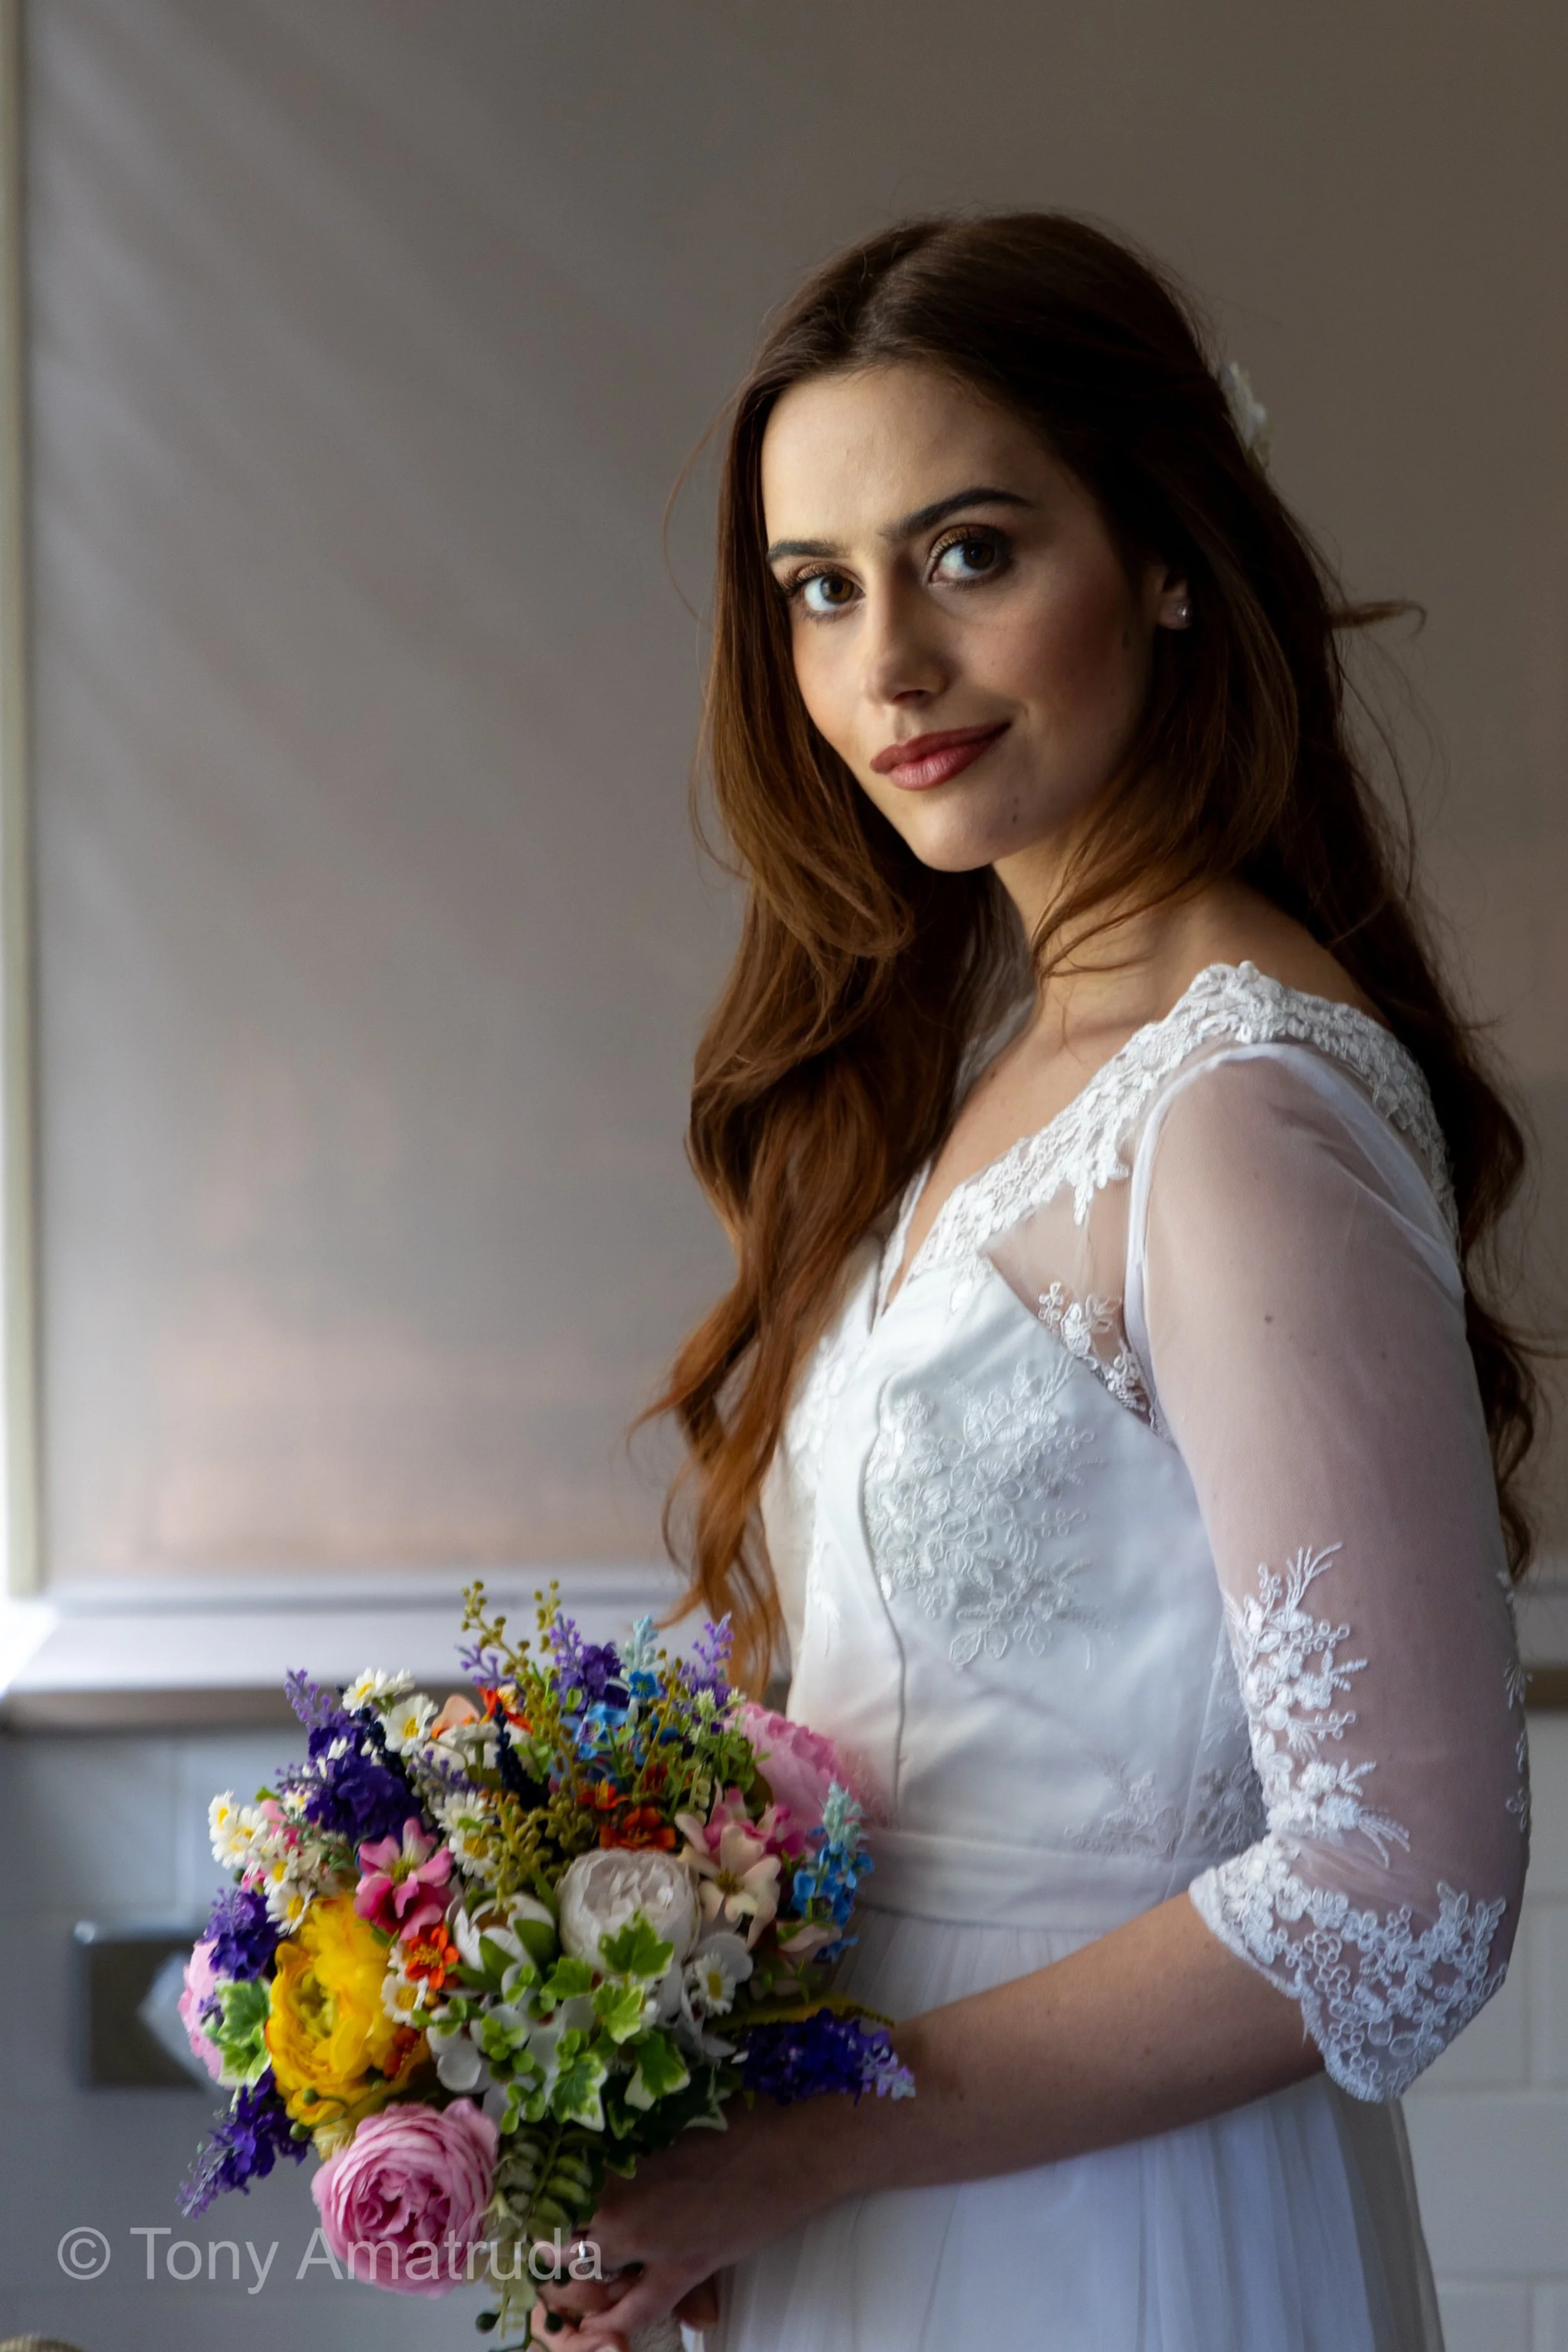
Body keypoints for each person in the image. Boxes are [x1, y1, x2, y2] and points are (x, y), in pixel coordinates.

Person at [532, 213, 1534, 2351]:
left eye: (967, 551)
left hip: (1108, 2248)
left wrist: (809, 2141)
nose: (882, 661)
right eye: (819, 587)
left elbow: (1403, 1887)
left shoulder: (1235, 1105)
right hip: (883, 2210)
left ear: (1164, 552)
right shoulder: (1003, 1065)